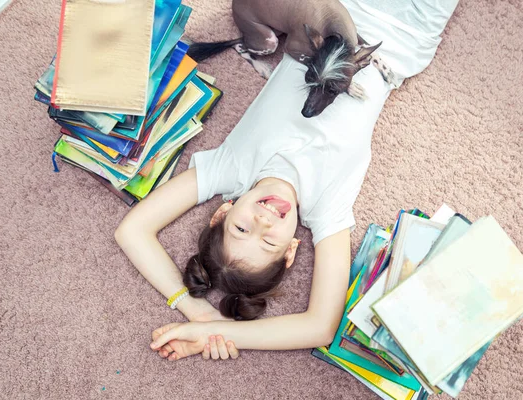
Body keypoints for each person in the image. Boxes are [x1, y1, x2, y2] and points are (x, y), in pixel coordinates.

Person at [115, 0, 459, 361]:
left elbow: (132, 231)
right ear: (292, 249)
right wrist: (214, 327)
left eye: (242, 230)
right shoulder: (326, 208)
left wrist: (192, 309)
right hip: (400, 34)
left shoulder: (231, 169)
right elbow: (320, 326)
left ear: (223, 213)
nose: (262, 222)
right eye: (268, 243)